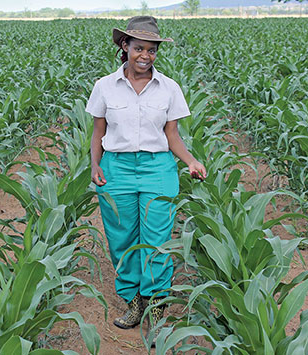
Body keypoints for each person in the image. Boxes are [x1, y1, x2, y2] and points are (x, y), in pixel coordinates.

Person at [86, 16, 207, 330]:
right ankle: (133, 301)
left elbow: (173, 135)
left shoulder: (168, 88)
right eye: (138, 48)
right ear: (124, 47)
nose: (144, 56)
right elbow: (98, 132)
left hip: (158, 168)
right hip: (117, 168)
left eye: (151, 50)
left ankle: (156, 302)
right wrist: (95, 165)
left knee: (156, 240)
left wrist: (191, 161)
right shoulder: (104, 87)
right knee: (121, 239)